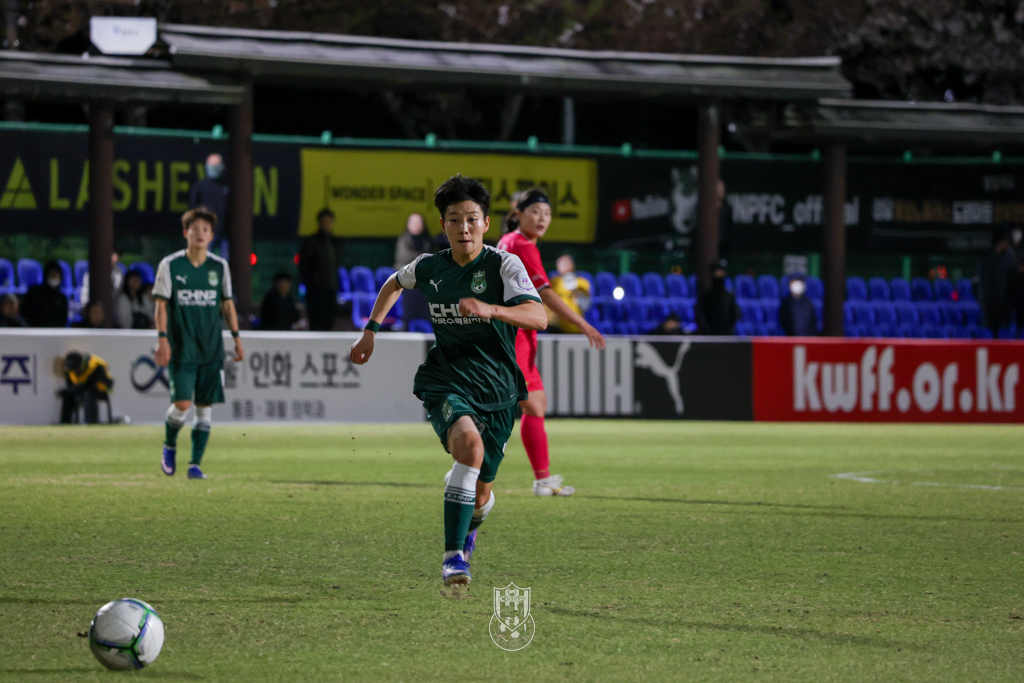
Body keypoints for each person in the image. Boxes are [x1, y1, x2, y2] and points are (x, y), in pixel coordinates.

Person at [349, 174, 546, 587]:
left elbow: (538, 316)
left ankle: (469, 519)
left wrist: (492, 310)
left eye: (472, 219)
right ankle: (453, 558)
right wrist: (370, 330)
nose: (464, 228)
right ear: (444, 225)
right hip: (447, 379)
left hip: (498, 389)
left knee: (481, 495)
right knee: (469, 448)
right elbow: (394, 283)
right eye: (454, 219)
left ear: (486, 223)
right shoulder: (429, 266)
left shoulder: (503, 265)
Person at [497, 188, 605, 497]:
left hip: (519, 332)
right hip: (513, 334)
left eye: (547, 213)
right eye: (535, 212)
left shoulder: (512, 241)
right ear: (520, 214)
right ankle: (469, 468)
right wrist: (582, 323)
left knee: (535, 404)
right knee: (505, 405)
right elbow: (544, 292)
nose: (542, 218)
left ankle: (542, 480)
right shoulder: (520, 244)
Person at [153, 206, 244, 480]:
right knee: (182, 405)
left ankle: (195, 465)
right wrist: (162, 339)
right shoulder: (170, 265)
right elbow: (161, 305)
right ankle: (170, 445)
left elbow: (227, 305)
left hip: (211, 348)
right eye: (195, 229)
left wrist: (237, 338)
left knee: (205, 408)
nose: (200, 234)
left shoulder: (219, 266)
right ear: (186, 233)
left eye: (205, 230)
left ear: (212, 236)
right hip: (182, 347)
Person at [299, 208, 340, 331]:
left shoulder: (334, 242)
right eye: (325, 221)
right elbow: (304, 265)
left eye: (329, 221)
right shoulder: (312, 241)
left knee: (329, 322)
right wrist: (310, 284)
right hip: (316, 291)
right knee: (316, 322)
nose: (327, 224)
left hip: (331, 289)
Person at [394, 212, 433, 327]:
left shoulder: (428, 241)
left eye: (419, 222)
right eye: (413, 222)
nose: (416, 225)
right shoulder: (403, 241)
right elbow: (404, 259)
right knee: (408, 314)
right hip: (407, 283)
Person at [189, 153, 230, 253]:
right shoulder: (200, 186)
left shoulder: (227, 186)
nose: (214, 169)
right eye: (212, 166)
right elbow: (193, 208)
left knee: (226, 260)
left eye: (216, 166)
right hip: (205, 232)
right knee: (205, 259)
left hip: (225, 232)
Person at [59, 351, 113, 424]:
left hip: (99, 390)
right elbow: (73, 386)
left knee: (89, 394)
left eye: (76, 370)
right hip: (82, 389)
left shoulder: (95, 366)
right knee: (67, 395)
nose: (75, 372)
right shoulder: (70, 370)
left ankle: (91, 422)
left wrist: (74, 389)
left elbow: (90, 385)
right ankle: (65, 423)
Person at [979, 228, 1016, 336]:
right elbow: (985, 281)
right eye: (1005, 243)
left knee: (1002, 328)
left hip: (1001, 300)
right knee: (991, 328)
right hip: (989, 301)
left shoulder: (1004, 258)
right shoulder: (987, 259)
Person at [547, 255, 592, 334]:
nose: (563, 266)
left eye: (566, 263)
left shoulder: (582, 283)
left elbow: (586, 303)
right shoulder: (554, 282)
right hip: (557, 325)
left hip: (575, 325)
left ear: (572, 265)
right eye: (560, 264)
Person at [696, 259, 739, 335]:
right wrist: (708, 331)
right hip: (709, 336)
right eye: (717, 271)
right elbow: (700, 315)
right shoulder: (705, 296)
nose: (719, 274)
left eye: (721, 272)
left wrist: (729, 330)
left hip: (726, 335)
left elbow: (734, 315)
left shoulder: (730, 297)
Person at [23, 260, 69, 328]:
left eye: (56, 275)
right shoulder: (34, 293)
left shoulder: (62, 298)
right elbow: (27, 314)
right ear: (46, 275)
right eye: (52, 274)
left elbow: (63, 321)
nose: (54, 277)